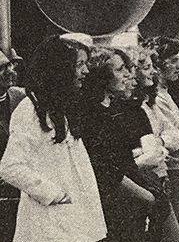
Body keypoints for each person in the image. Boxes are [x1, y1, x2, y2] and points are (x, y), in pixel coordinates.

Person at [0, 36, 106, 242]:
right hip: (49, 224)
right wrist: (54, 194)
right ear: (60, 69)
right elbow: (10, 166)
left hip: (74, 222)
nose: (86, 71)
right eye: (79, 65)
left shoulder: (61, 109)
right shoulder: (30, 110)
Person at [77, 46, 169, 241]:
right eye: (120, 69)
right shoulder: (93, 114)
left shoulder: (115, 109)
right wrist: (147, 197)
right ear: (102, 76)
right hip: (114, 204)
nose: (128, 74)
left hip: (128, 201)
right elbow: (108, 170)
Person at [146, 37, 179, 240]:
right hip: (173, 168)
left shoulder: (165, 93)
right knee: (173, 228)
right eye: (174, 60)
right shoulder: (158, 97)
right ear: (159, 64)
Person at [0, 49, 27, 242]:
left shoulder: (20, 98)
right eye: (2, 68)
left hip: (20, 189)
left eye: (11, 65)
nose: (10, 71)